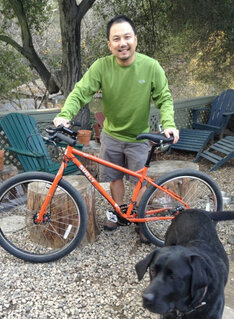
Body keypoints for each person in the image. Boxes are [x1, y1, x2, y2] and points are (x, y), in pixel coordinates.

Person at [54, 14, 179, 241]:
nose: (123, 43)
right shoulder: (101, 67)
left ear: (135, 39)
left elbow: (164, 98)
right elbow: (81, 92)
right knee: (114, 177)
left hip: (139, 136)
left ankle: (139, 218)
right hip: (111, 135)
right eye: (117, 39)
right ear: (109, 44)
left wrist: (169, 124)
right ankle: (119, 211)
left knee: (139, 181)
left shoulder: (151, 67)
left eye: (127, 37)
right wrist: (64, 115)